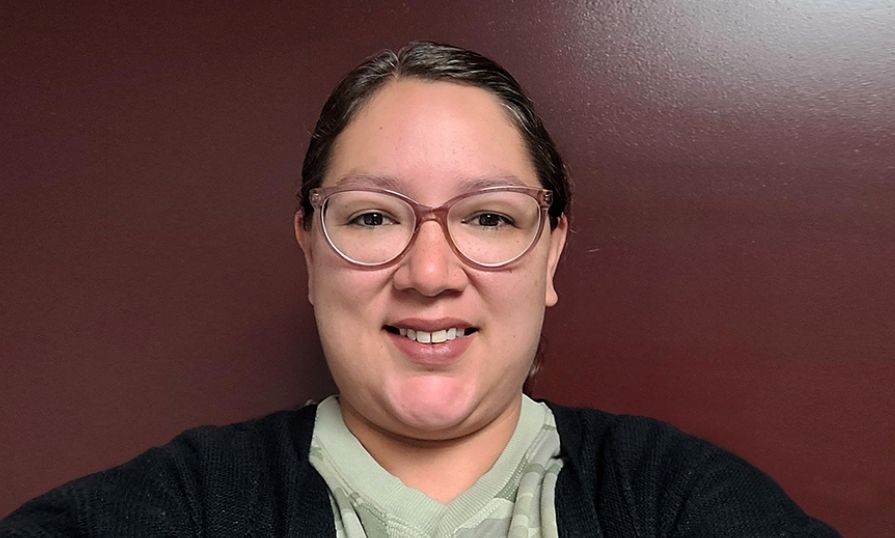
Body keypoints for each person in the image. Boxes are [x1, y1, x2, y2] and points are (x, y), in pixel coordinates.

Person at [1, 41, 837, 537]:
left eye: (488, 218)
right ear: (309, 251)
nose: (430, 275)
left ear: (551, 255)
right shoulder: (188, 503)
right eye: (371, 217)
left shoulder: (673, 498)